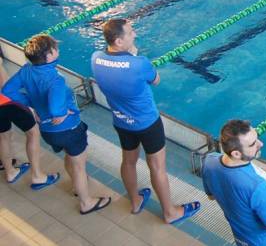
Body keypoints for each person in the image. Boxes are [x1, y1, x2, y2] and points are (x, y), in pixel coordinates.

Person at [91, 19, 201, 222]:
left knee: (129, 161)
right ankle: (170, 213)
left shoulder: (96, 58)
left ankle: (135, 201)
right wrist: (133, 55)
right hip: (147, 123)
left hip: (121, 121)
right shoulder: (139, 63)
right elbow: (156, 80)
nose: (135, 35)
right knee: (157, 167)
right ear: (118, 40)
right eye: (130, 33)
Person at [2, 35, 111, 215]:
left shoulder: (27, 70)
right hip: (68, 129)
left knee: (70, 157)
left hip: (47, 131)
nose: (58, 51)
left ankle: (78, 184)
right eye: (56, 49)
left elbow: (7, 90)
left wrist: (30, 102)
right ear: (50, 54)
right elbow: (55, 108)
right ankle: (86, 202)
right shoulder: (55, 79)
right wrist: (64, 112)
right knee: (78, 164)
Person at [203, 119, 266, 246]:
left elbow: (211, 196)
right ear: (236, 153)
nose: (260, 144)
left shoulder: (209, 161)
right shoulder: (259, 187)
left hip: (242, 240)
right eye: (253, 144)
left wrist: (254, 173)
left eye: (257, 138)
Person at [0, 63, 58, 188]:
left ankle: (10, 172)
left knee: (3, 136)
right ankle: (37, 176)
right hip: (6, 102)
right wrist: (28, 105)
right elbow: (6, 87)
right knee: (33, 133)